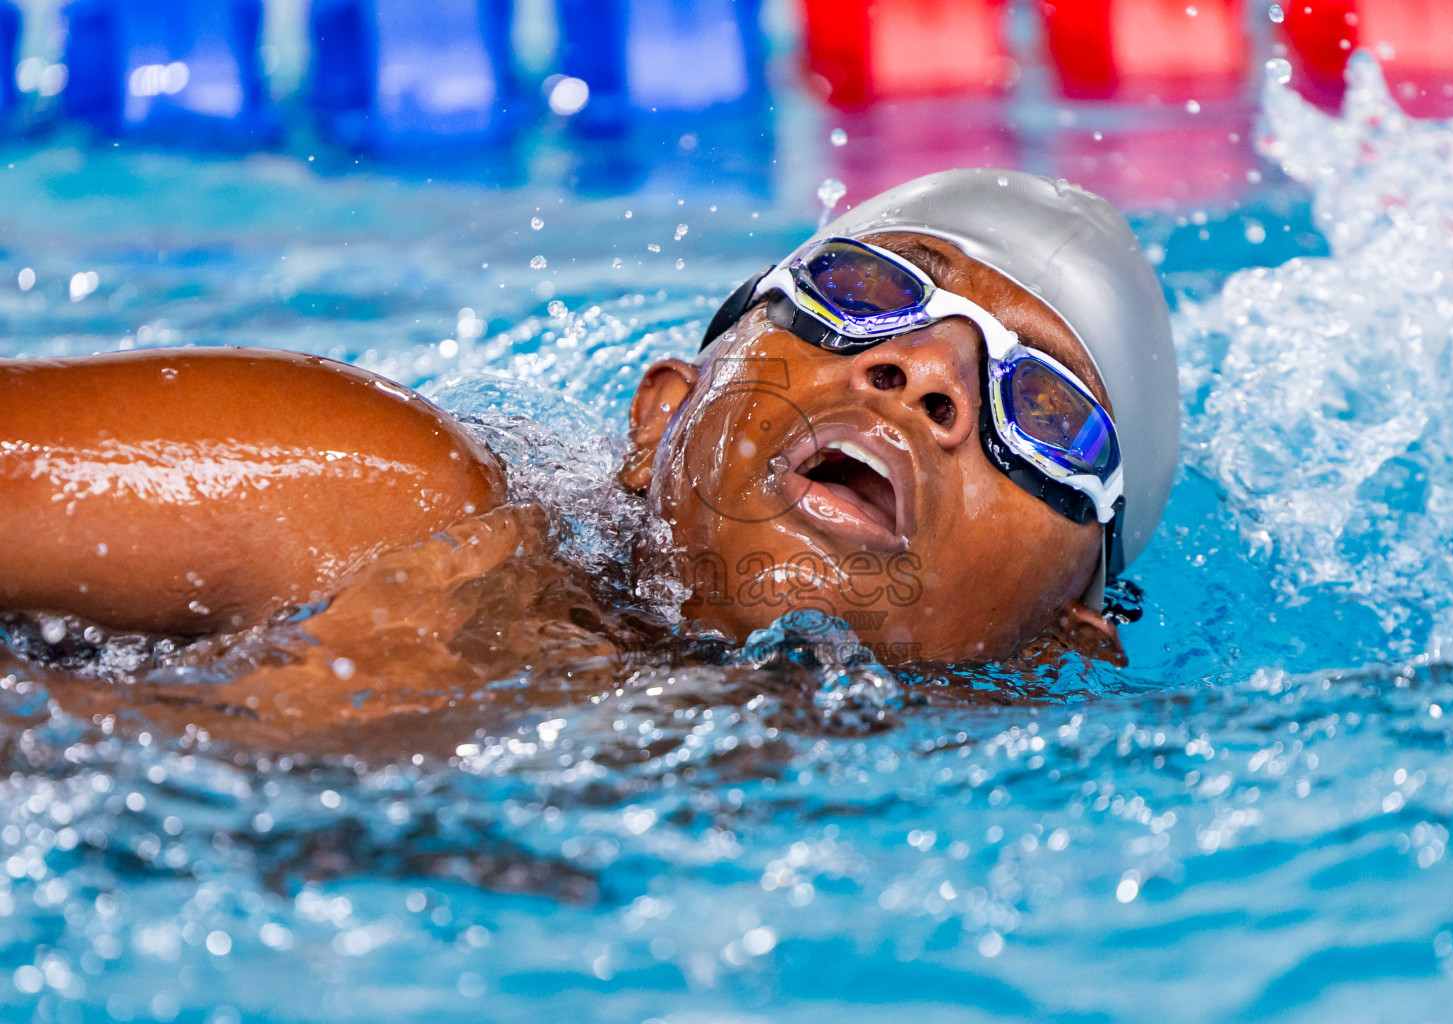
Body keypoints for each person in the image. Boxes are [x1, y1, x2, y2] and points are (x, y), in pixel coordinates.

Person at [0, 170, 1178, 742]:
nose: (926, 373)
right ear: (662, 417)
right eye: (864, 291)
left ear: (1064, 639)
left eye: (1046, 408)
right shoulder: (381, 496)